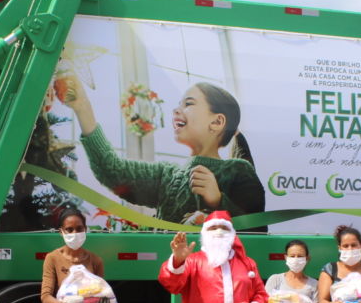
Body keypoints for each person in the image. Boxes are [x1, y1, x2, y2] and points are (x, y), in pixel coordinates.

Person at [63, 78, 265, 225]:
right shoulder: (167, 175)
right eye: (178, 105)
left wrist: (218, 200)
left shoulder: (238, 170)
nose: (176, 110)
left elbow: (258, 230)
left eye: (188, 104)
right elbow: (112, 171)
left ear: (217, 121)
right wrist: (83, 109)